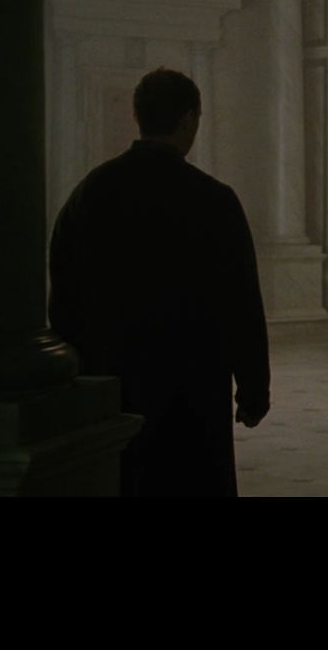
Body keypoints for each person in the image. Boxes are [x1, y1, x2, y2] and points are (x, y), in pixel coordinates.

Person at [48, 67, 269, 497]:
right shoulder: (213, 200)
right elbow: (239, 302)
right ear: (188, 119)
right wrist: (253, 390)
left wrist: (75, 379)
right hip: (193, 391)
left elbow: (64, 298)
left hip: (113, 387)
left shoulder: (89, 194)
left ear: (139, 117)